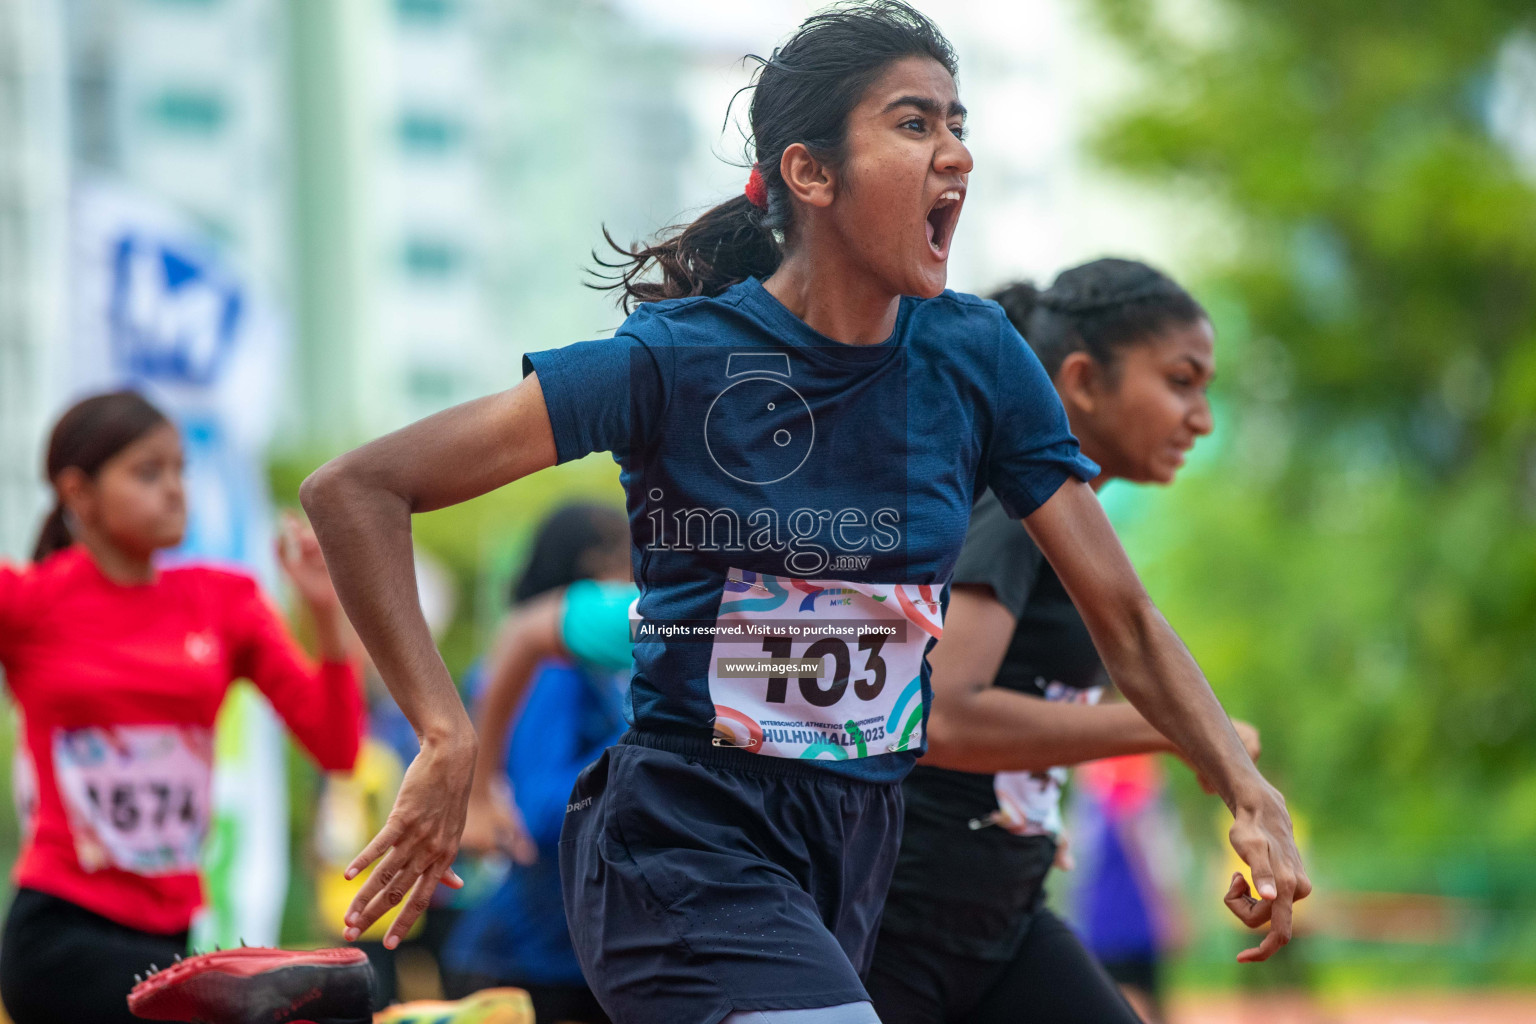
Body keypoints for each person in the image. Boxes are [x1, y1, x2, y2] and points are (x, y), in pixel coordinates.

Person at [300, 4, 1309, 1022]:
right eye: (914, 124)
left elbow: (1123, 616)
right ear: (811, 174)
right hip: (682, 843)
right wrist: (444, 733)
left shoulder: (977, 358)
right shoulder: (677, 360)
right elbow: (357, 488)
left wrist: (1245, 790)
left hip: (852, 853)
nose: (955, 152)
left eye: (959, 124)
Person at [865, 260, 1255, 1024]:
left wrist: (1030, 796)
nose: (1201, 417)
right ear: (1081, 380)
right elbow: (941, 716)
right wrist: (1174, 729)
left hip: (1000, 919)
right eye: (1181, 381)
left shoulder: (1075, 531)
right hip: (897, 926)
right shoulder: (1015, 507)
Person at [0, 390, 365, 1024]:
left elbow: (337, 746)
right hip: (61, 931)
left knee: (325, 999)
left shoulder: (226, 603)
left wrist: (325, 613)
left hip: (170, 936)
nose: (174, 489)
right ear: (77, 491)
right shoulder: (27, 603)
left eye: (179, 470)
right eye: (148, 472)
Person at [444, 503, 633, 1024]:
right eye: (630, 566)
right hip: (526, 965)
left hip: (566, 959)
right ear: (590, 573)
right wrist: (650, 735)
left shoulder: (586, 670)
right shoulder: (553, 668)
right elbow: (541, 809)